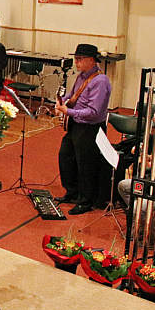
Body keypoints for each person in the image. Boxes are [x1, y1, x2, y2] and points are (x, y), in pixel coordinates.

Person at [54, 44, 112, 215]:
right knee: (66, 157)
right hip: (76, 124)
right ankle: (72, 192)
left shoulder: (100, 81)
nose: (76, 62)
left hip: (90, 128)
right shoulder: (81, 77)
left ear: (92, 60)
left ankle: (86, 200)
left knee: (86, 164)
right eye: (76, 59)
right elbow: (73, 96)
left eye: (80, 59)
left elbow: (94, 112)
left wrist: (68, 111)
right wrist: (61, 102)